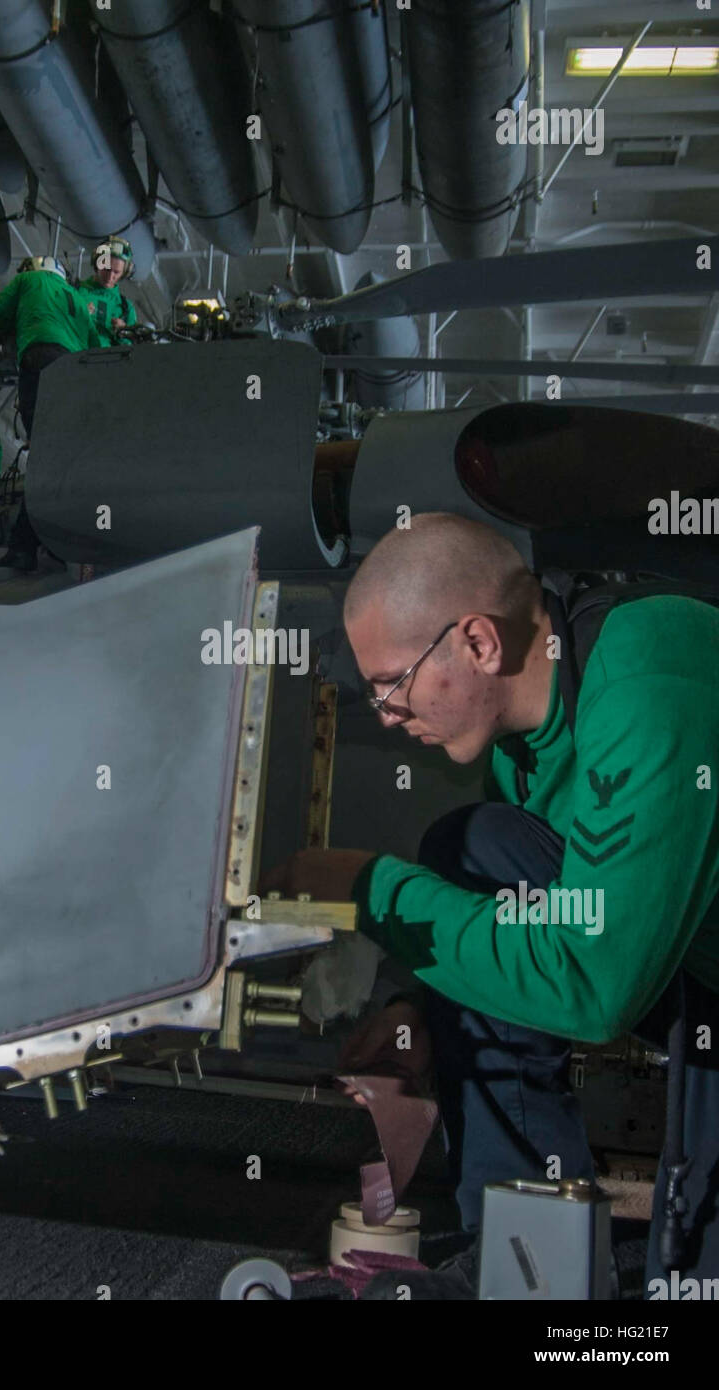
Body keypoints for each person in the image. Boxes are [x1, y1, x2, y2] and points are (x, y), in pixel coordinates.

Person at [273, 512, 719, 1299]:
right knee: (471, 849)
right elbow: (511, 912)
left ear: (478, 642)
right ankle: (527, 1244)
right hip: (686, 962)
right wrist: (420, 1001)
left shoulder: (650, 678)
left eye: (392, 686)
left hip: (674, 975)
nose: (384, 716)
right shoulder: (523, 740)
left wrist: (371, 890)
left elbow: (592, 983)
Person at [0, 255, 101, 570]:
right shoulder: (77, 298)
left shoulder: (27, 280)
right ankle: (52, 544)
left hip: (40, 358)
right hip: (74, 374)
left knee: (44, 457)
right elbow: (97, 345)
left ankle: (27, 546)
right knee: (60, 458)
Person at [79, 236, 137, 347]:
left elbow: (130, 350)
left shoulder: (126, 308)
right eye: (107, 269)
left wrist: (123, 333)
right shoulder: (76, 291)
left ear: (125, 272)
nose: (110, 276)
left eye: (116, 272)